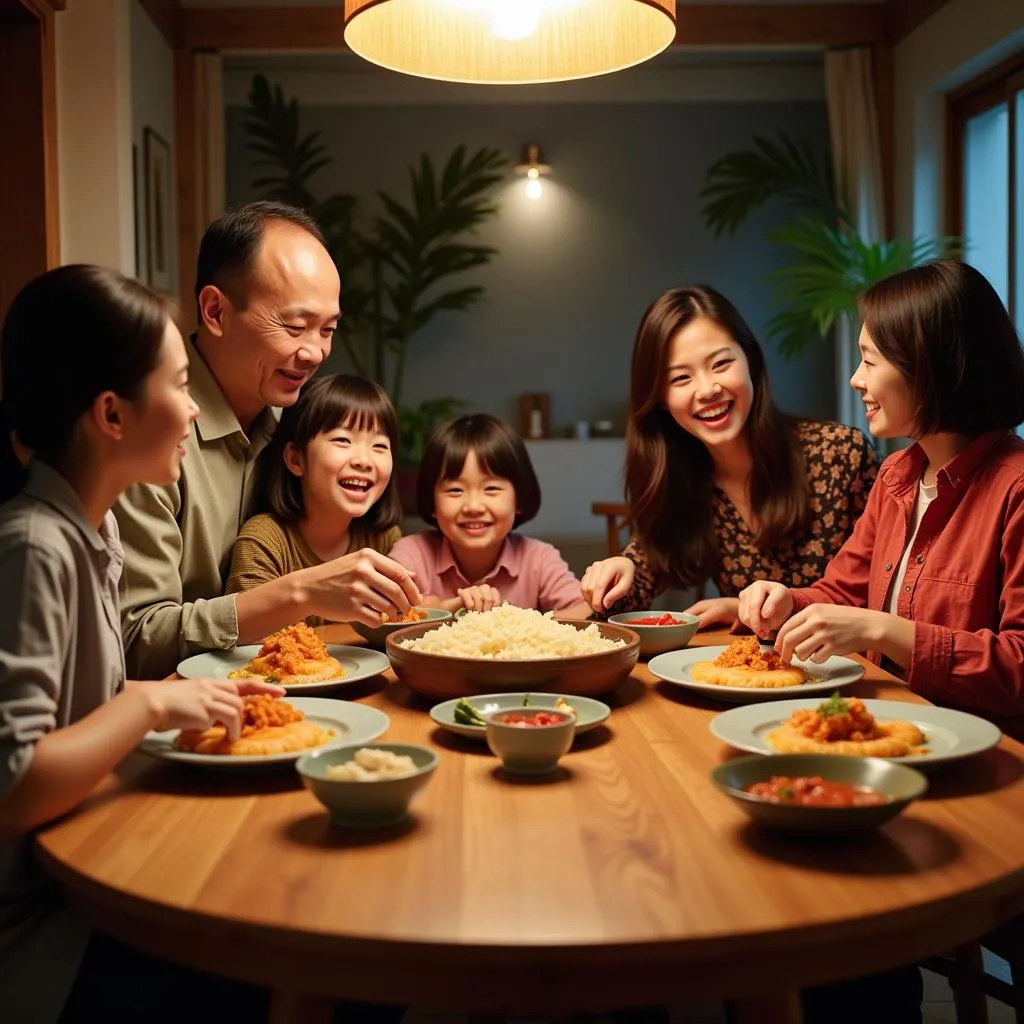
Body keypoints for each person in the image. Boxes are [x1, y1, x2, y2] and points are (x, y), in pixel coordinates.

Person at [0, 265, 284, 1024]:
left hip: (82, 873)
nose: (194, 410)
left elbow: (80, 708)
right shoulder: (34, 548)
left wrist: (194, 700)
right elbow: (13, 782)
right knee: (271, 972)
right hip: (38, 931)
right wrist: (154, 700)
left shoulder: (95, 529)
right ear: (112, 415)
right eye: (181, 384)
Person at [113, 202, 419, 679]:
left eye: (329, 330)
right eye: (294, 327)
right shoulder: (147, 432)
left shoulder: (300, 422)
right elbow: (135, 642)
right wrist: (300, 592)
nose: (315, 352)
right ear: (215, 310)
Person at [738, 259, 1024, 742]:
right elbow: (843, 595)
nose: (856, 379)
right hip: (887, 731)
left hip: (985, 759)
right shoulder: (897, 474)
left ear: (930, 366)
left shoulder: (1014, 488)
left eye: (869, 361)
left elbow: (1018, 666)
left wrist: (883, 631)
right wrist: (788, 601)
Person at [580, 284, 879, 626]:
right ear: (660, 397)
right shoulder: (685, 480)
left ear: (750, 361)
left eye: (720, 363)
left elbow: (884, 593)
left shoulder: (842, 455)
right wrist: (621, 570)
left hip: (852, 670)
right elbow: (639, 581)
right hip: (748, 675)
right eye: (681, 378)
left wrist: (739, 609)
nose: (707, 390)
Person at [226, 373, 403, 611]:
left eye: (379, 446)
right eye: (343, 440)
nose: (364, 460)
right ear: (296, 459)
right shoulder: (265, 540)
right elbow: (246, 636)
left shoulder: (384, 539)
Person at [389, 414, 591, 617]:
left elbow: (586, 610)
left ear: (519, 498)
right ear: (432, 501)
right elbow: (383, 613)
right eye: (455, 490)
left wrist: (525, 622)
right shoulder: (412, 554)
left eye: (491, 488)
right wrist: (444, 609)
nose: (473, 506)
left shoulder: (539, 559)